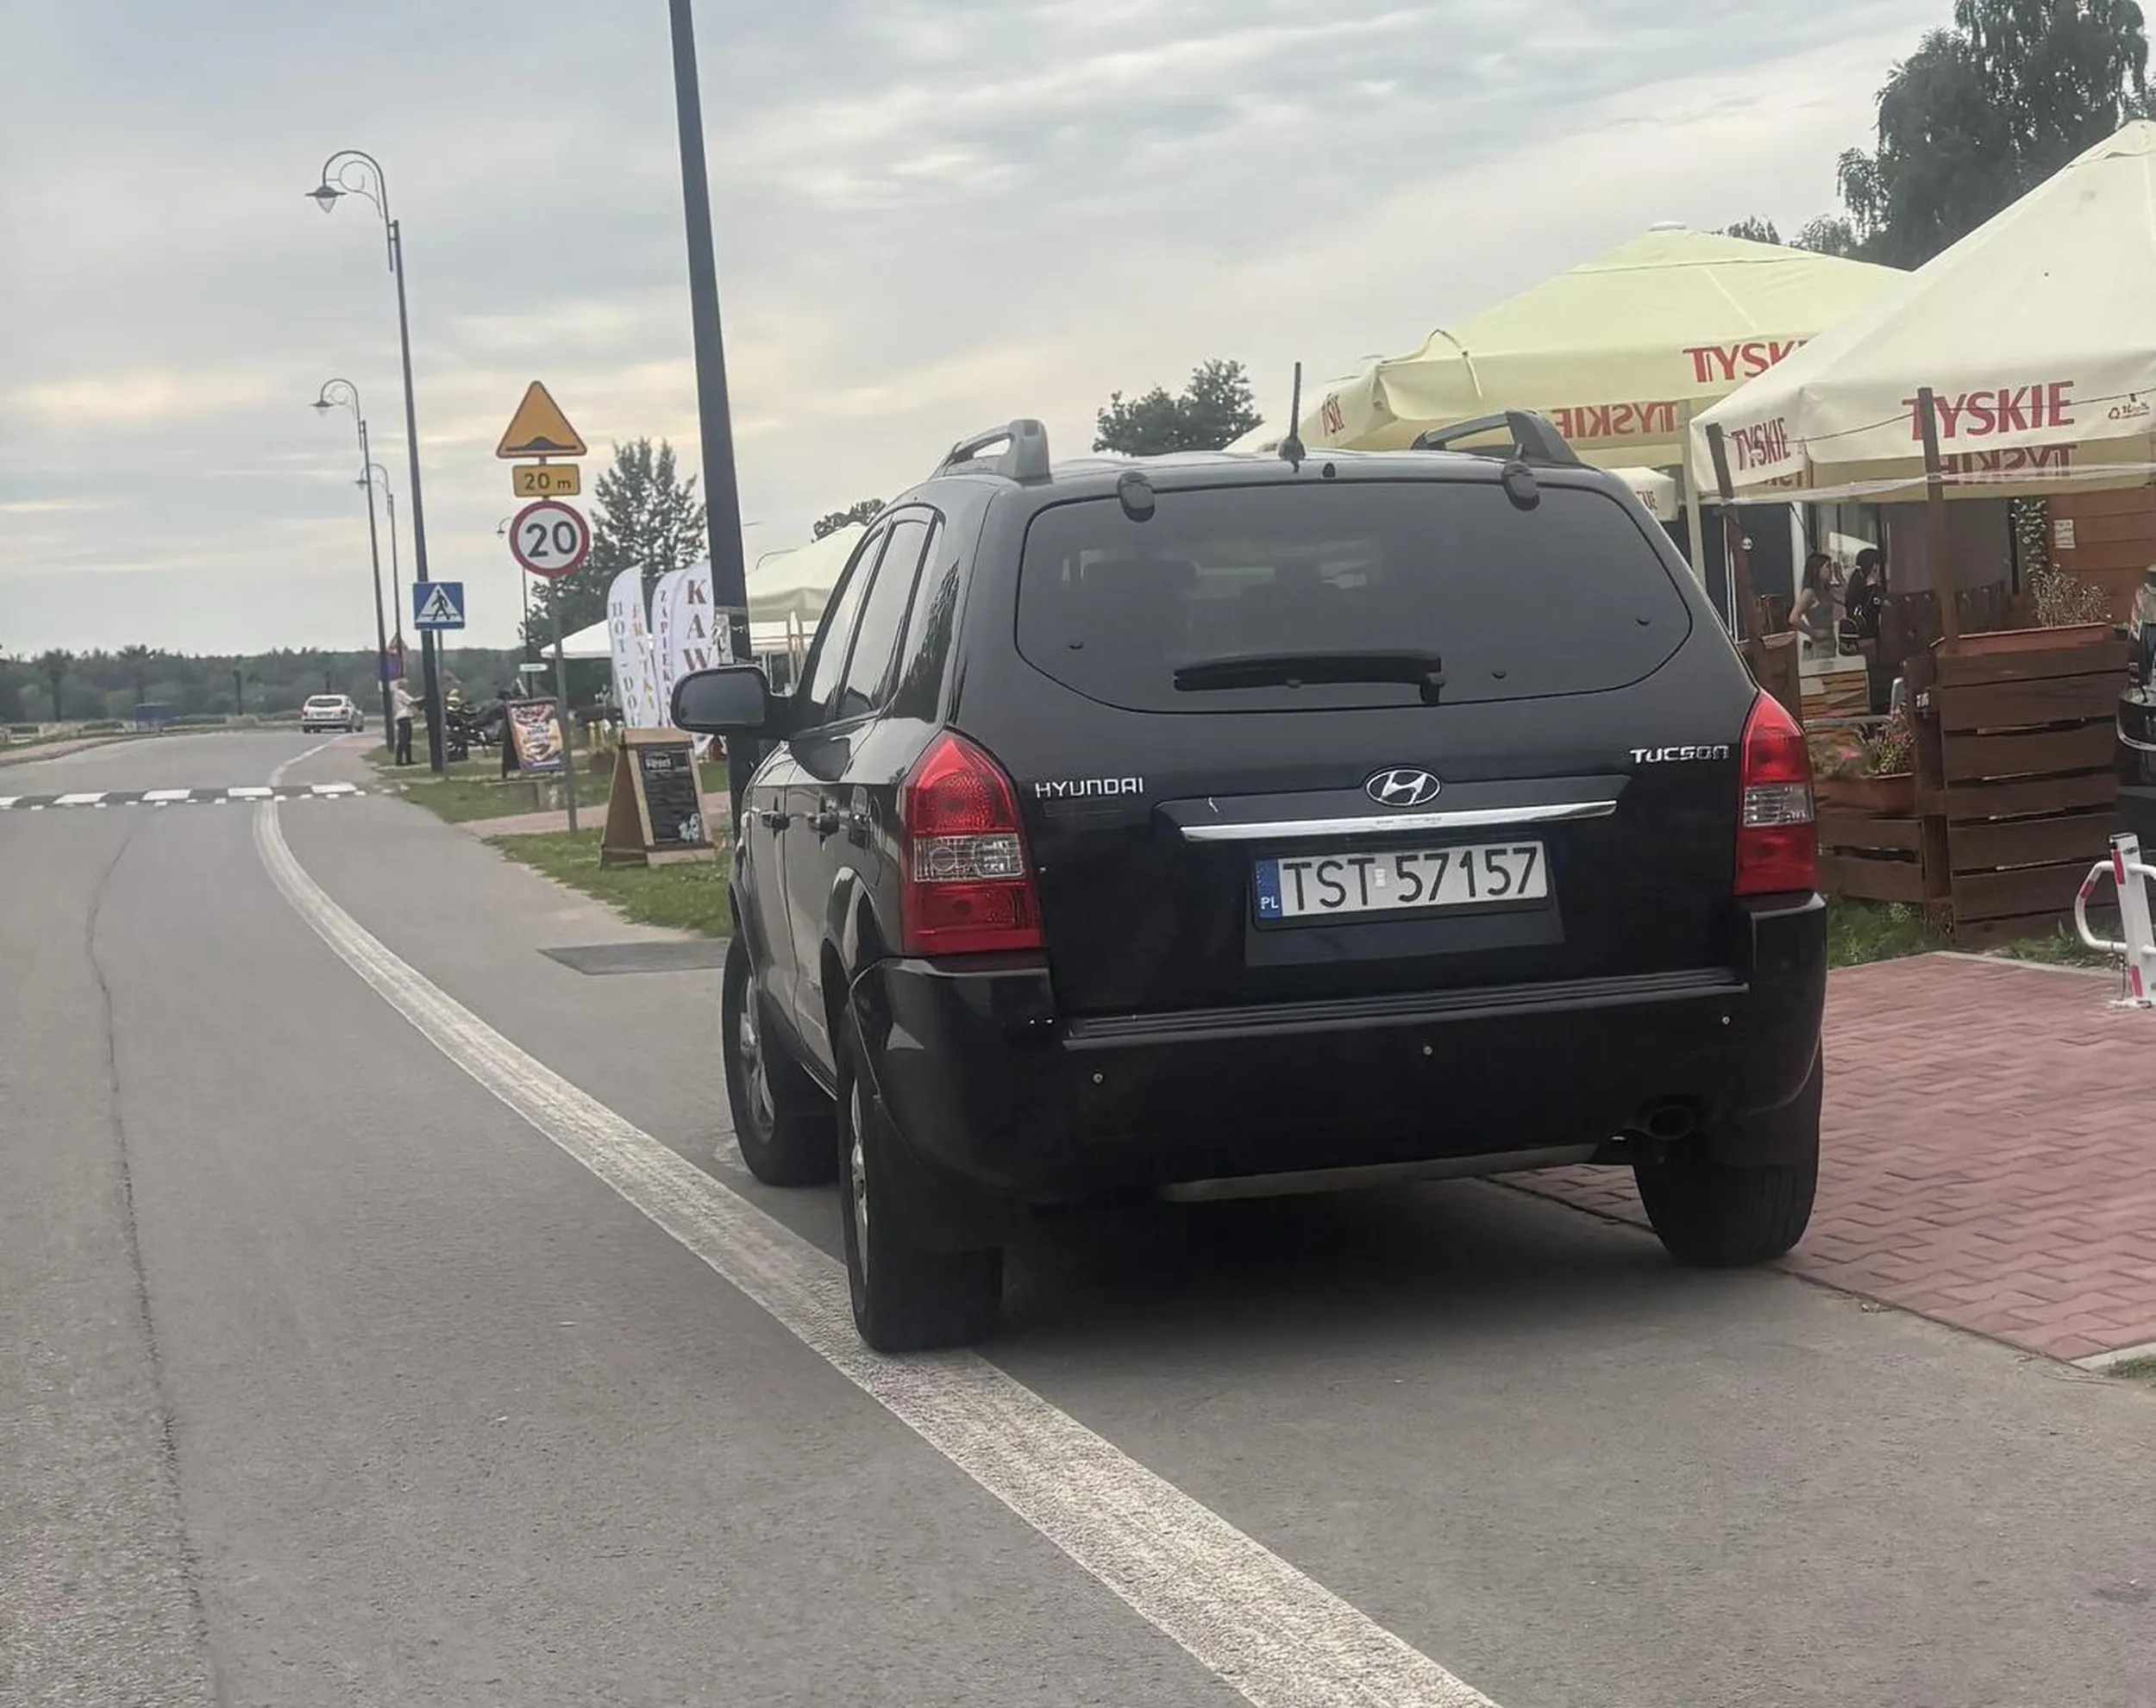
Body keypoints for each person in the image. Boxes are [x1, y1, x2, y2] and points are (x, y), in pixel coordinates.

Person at [1790, 553, 1835, 656]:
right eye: (1828, 567)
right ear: (1817, 569)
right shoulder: (1809, 592)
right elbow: (1793, 618)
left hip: (1830, 641)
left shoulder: (1825, 591)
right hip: (1819, 645)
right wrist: (1814, 633)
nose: (1831, 570)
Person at [390, 677, 415, 766]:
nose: (407, 686)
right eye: (406, 684)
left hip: (402, 717)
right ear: (402, 685)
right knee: (404, 739)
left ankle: (407, 759)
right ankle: (401, 760)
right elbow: (411, 701)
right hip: (403, 717)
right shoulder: (400, 693)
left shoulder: (398, 693)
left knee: (406, 739)